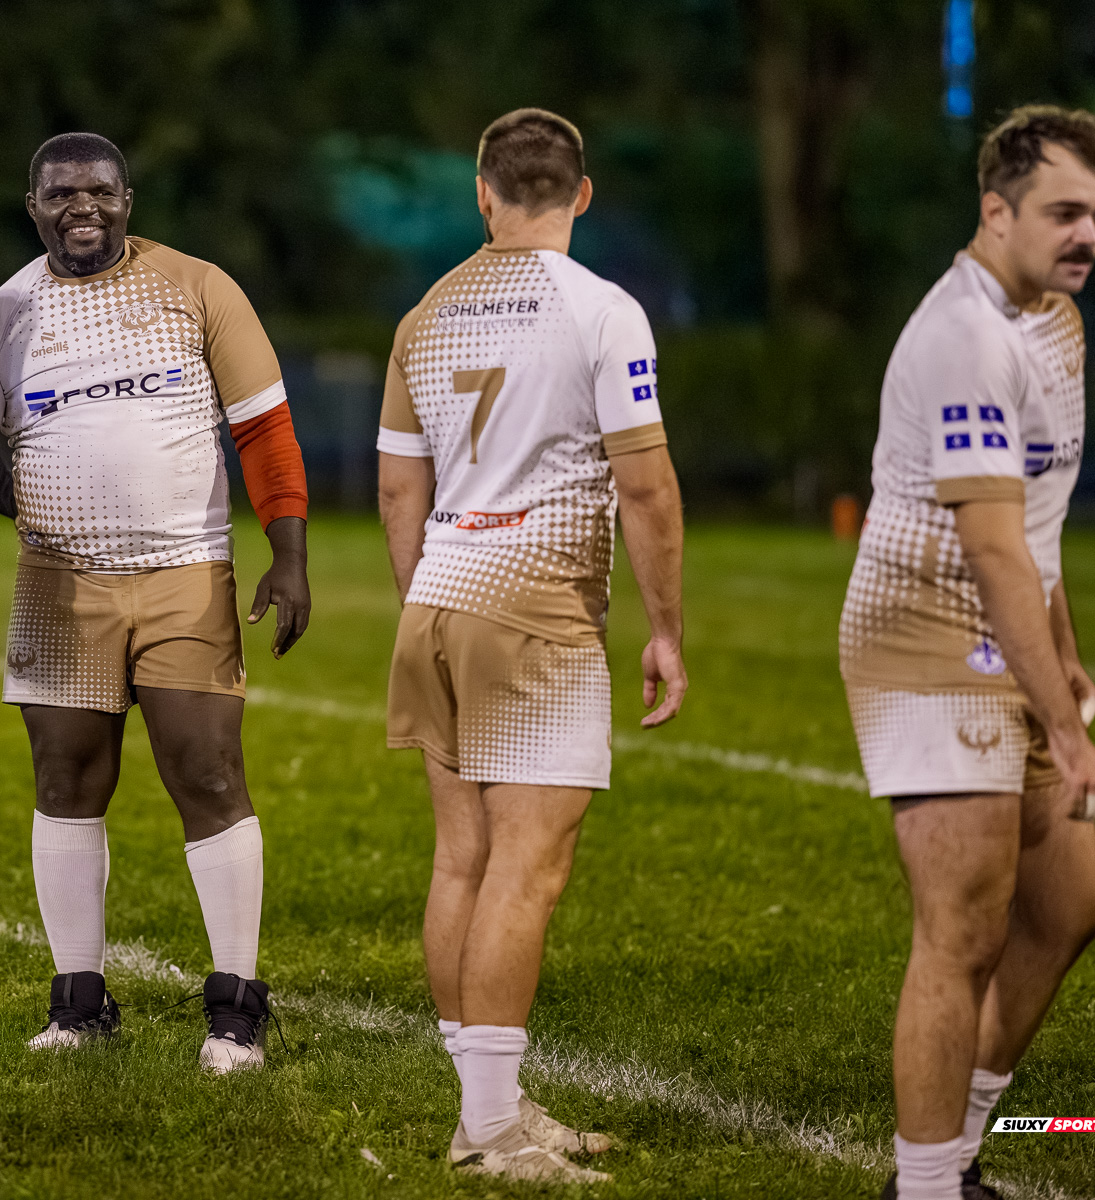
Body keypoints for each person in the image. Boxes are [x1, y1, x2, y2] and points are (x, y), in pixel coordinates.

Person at [0, 132, 310, 1073]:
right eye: (59, 195)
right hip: (57, 580)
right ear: (32, 205)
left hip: (185, 569)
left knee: (206, 772)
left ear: (129, 199)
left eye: (99, 192)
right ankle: (79, 1004)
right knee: (66, 781)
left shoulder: (199, 287)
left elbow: (266, 432)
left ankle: (236, 1010)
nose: (81, 208)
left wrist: (287, 556)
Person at [377, 108, 687, 1183]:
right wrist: (669, 633)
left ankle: (491, 1107)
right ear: (582, 193)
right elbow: (644, 484)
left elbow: (395, 484)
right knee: (527, 868)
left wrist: (428, 596)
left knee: (461, 857)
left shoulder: (427, 312)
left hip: (441, 594)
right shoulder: (603, 310)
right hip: (538, 604)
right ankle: (492, 1131)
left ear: (482, 193)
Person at [837, 107, 1095, 1200]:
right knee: (961, 929)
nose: (1086, 233)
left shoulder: (1054, 318)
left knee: (1067, 910)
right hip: (923, 641)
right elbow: (993, 546)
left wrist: (1068, 659)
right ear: (994, 210)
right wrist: (1062, 724)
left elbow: (1036, 526)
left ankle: (948, 1158)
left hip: (1005, 636)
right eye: (1063, 212)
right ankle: (925, 1188)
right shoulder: (965, 335)